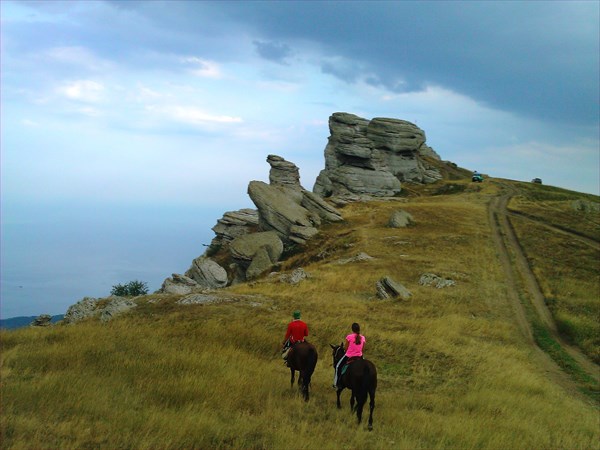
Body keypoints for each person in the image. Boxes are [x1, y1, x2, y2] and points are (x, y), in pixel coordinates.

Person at [333, 322, 365, 388]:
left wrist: (344, 348)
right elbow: (362, 349)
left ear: (352, 329)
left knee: (338, 367)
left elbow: (346, 348)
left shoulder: (349, 337)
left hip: (349, 355)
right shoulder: (363, 337)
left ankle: (336, 383)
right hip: (359, 356)